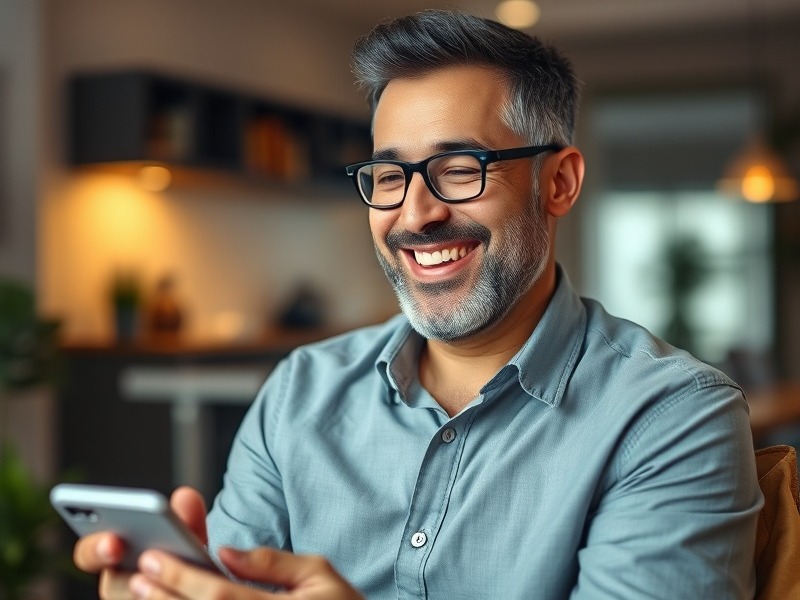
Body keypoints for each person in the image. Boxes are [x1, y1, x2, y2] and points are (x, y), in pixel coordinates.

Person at [73, 10, 763, 599]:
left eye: (460, 168)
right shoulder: (299, 393)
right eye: (389, 174)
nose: (416, 213)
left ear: (558, 183)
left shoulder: (673, 419)